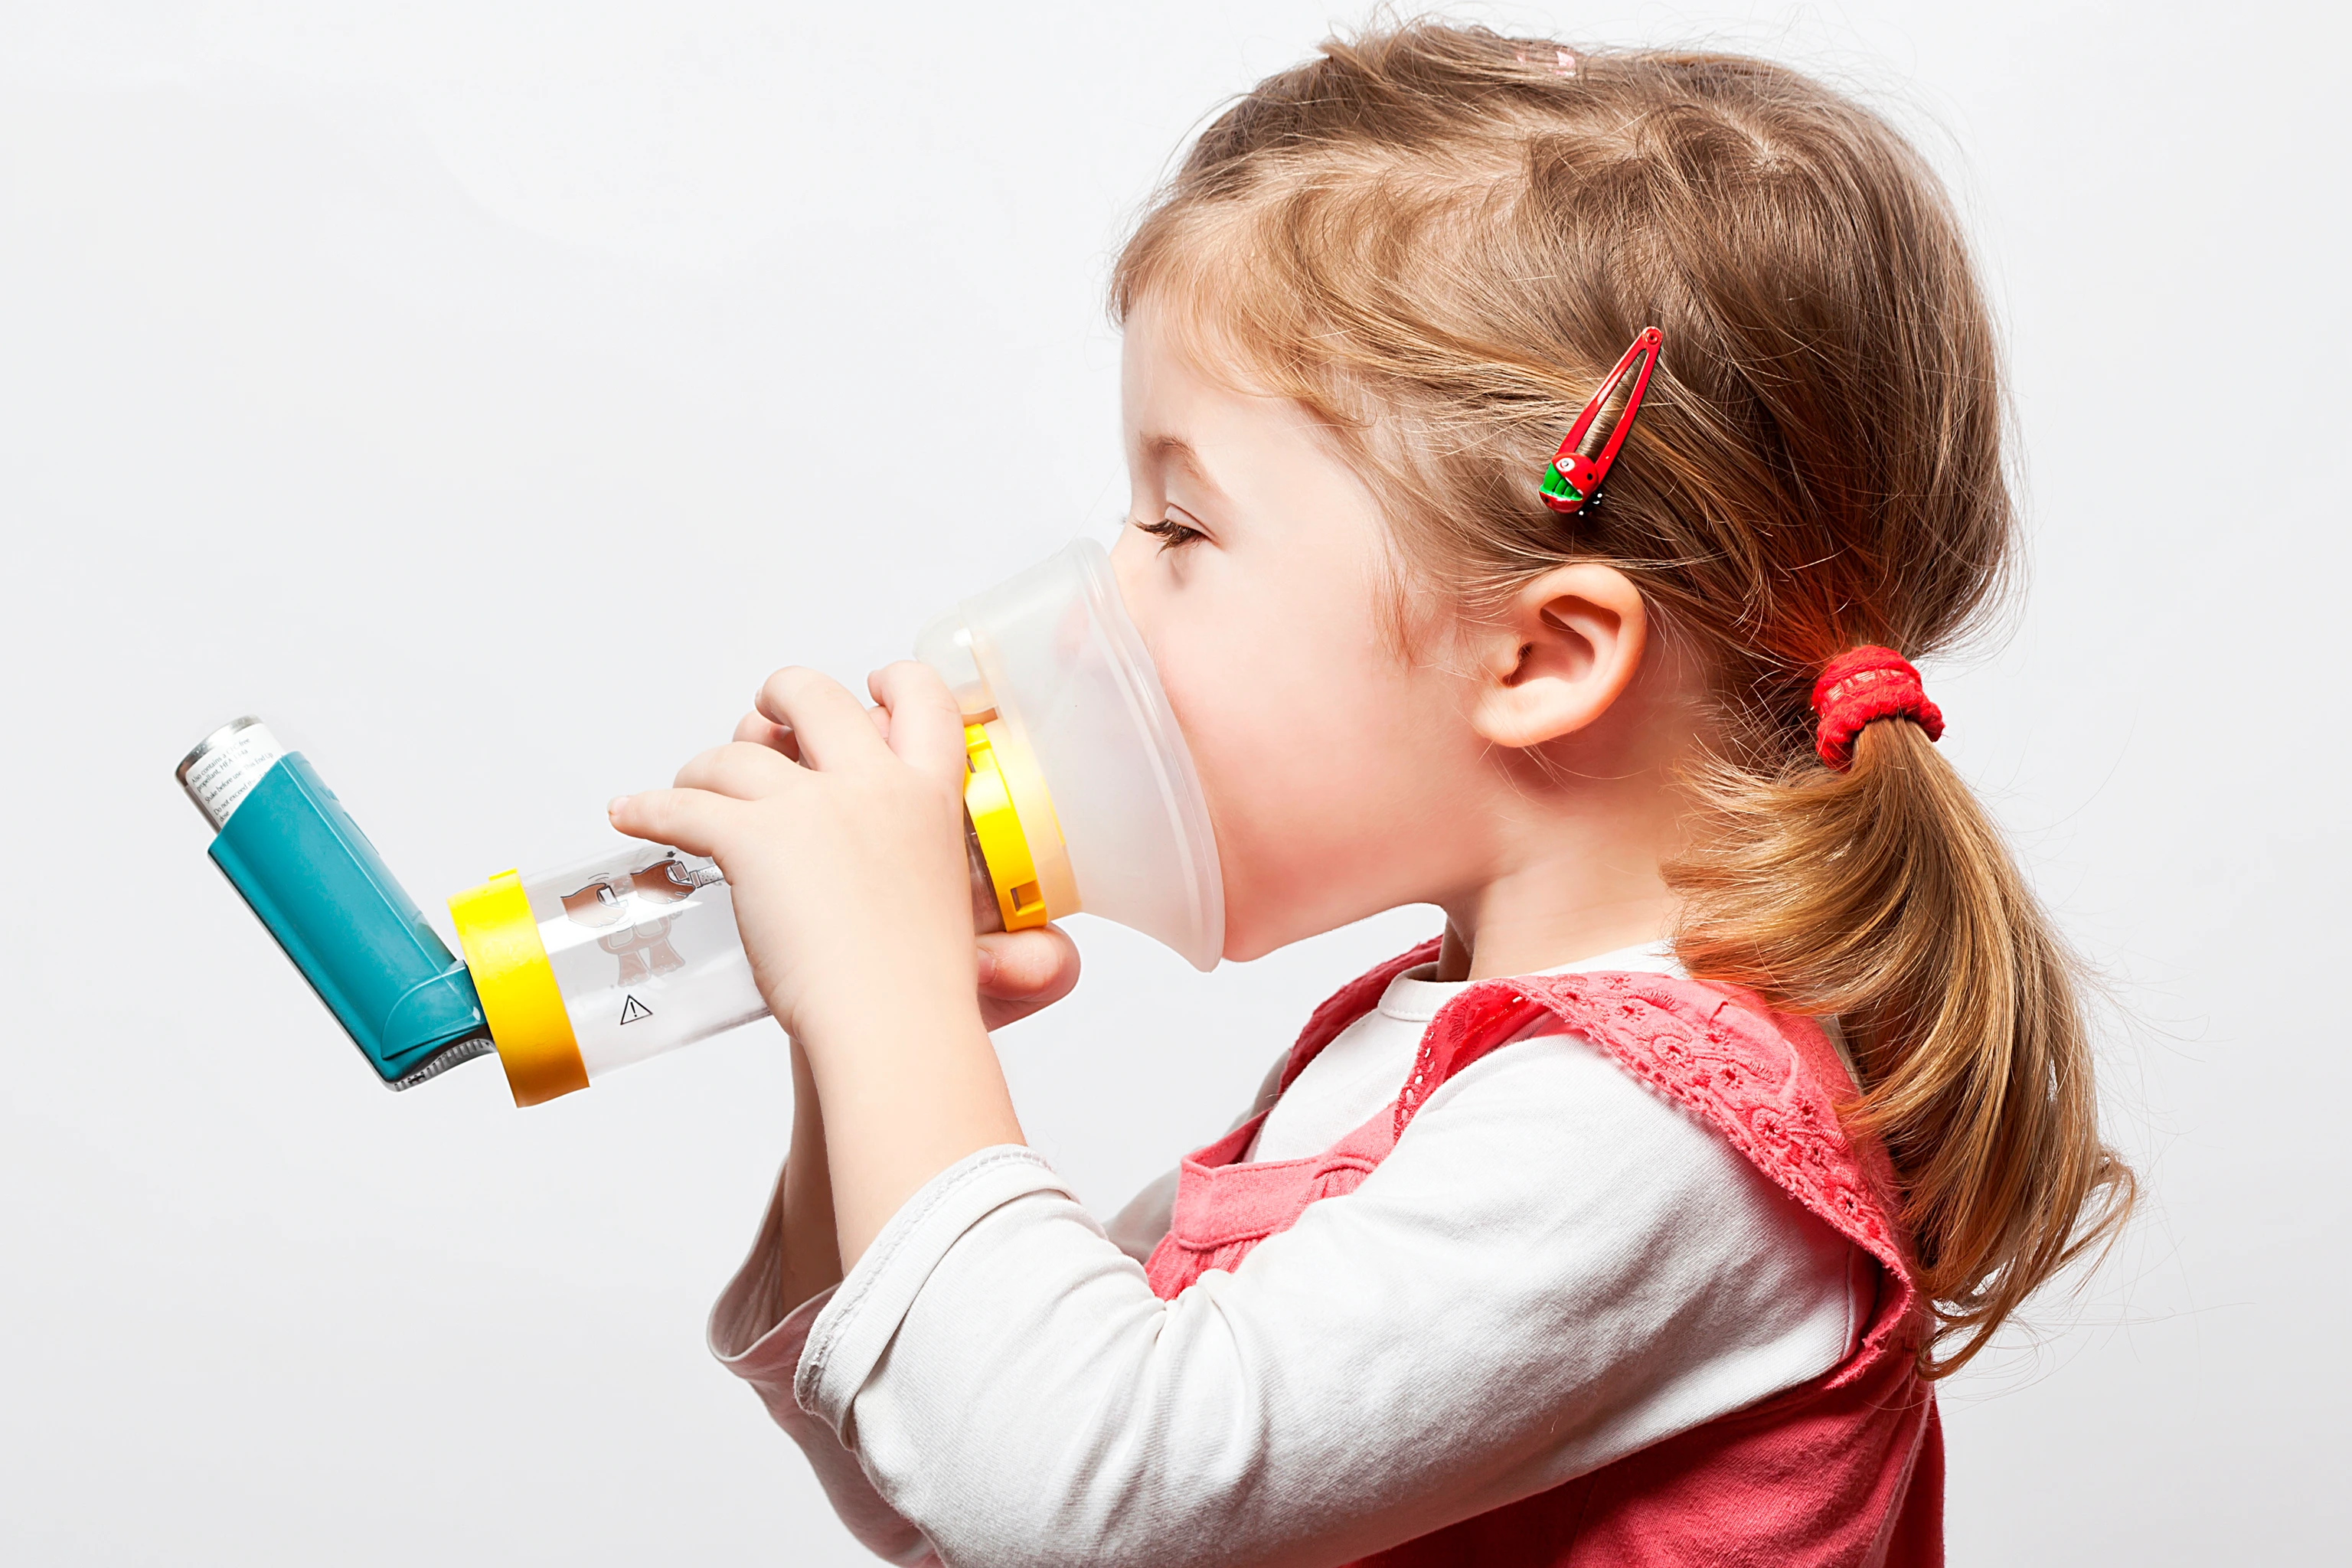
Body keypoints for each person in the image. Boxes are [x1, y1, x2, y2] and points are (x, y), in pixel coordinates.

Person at [607, 23, 2132, 1566]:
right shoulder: (1429, 1060)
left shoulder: (1653, 1137)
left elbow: (1075, 1495)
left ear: (1540, 655)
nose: (1091, 615)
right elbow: (936, 1476)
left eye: (1180, 529)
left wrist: (892, 1010)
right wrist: (851, 1043)